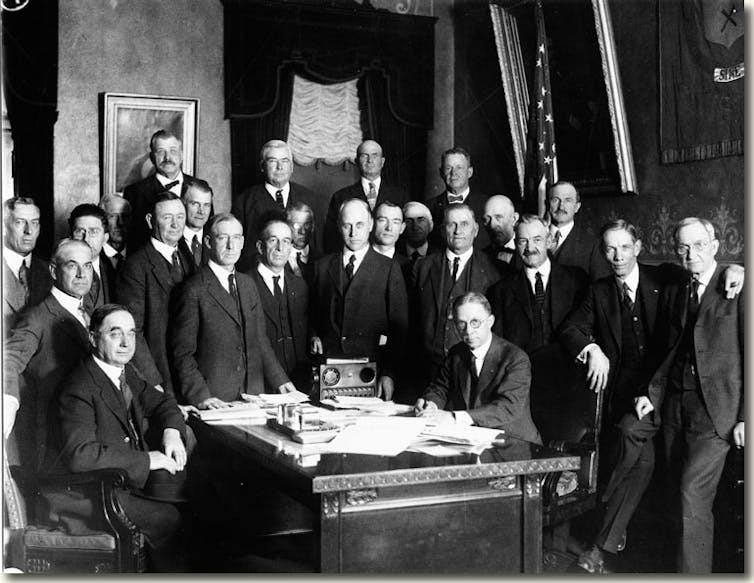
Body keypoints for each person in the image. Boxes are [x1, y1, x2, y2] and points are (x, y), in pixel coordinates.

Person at [640, 217, 743, 574]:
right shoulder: (676, 287)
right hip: (675, 406)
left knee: (691, 496)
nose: (691, 253)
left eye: (699, 245)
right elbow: (667, 349)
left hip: (717, 411)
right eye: (683, 247)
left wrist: (746, 417)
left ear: (716, 246)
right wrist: (651, 393)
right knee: (674, 497)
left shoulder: (738, 286)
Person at [56, 304, 189, 571]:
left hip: (120, 483)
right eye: (115, 334)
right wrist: (147, 459)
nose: (127, 343)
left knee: (194, 496)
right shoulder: (79, 386)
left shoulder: (123, 374)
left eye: (131, 333)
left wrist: (172, 433)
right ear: (93, 337)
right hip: (87, 493)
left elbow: (164, 404)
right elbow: (80, 455)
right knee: (170, 518)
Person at [170, 214, 295, 408]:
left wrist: (280, 380)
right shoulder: (194, 289)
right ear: (209, 242)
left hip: (252, 397)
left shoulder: (247, 284)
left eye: (236, 238)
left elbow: (259, 339)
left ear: (243, 242)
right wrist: (201, 396)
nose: (231, 245)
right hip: (215, 399)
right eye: (223, 238)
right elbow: (182, 354)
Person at [3, 238, 94, 472]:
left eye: (88, 266)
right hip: (60, 441)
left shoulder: (91, 313)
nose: (82, 274)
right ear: (53, 270)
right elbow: (8, 361)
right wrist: (8, 403)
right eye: (72, 266)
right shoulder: (37, 316)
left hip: (93, 429)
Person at [310, 198, 408, 400]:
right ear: (339, 226)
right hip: (329, 369)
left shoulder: (388, 268)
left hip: (371, 370)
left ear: (371, 225)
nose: (353, 233)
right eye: (347, 225)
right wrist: (313, 335)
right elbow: (309, 311)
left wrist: (389, 374)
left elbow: (400, 329)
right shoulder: (322, 266)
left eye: (360, 225)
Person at [414, 292, 540, 443]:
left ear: (490, 321)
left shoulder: (515, 358)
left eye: (475, 322)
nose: (468, 331)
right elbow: (440, 388)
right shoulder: (457, 353)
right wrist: (431, 404)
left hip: (514, 444)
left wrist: (453, 417)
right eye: (461, 323)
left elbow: (507, 407)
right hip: (473, 439)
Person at [414, 203, 503, 386]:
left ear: (476, 230)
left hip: (474, 374)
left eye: (464, 224)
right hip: (427, 372)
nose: (458, 231)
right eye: (451, 224)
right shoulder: (422, 267)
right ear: (442, 229)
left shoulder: (495, 270)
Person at [116, 192, 192, 396]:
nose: (176, 225)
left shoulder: (187, 258)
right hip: (161, 375)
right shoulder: (136, 266)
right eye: (167, 217)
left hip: (189, 376)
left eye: (180, 217)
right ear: (150, 221)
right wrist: (153, 382)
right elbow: (133, 331)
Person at [487, 214, 588, 354]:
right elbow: (499, 345)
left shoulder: (576, 279)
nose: (530, 248)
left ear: (549, 241)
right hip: (523, 372)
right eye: (523, 241)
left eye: (537, 240)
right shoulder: (501, 291)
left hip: (570, 369)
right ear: (516, 244)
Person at [231, 139, 318, 270]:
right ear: (262, 166)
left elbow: (319, 246)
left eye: (284, 161)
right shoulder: (244, 202)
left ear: (292, 166)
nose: (279, 167)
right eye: (272, 161)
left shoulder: (310, 198)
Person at [247, 220, 311, 392]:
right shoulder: (245, 284)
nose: (280, 248)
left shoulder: (299, 285)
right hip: (259, 384)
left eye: (286, 241)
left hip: (297, 384)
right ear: (260, 246)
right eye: (273, 240)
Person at [323, 140, 409, 252]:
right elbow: (332, 238)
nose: (370, 160)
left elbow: (406, 235)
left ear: (382, 162)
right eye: (364, 156)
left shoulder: (400, 195)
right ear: (357, 161)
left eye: (375, 155)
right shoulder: (341, 196)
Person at [123, 129, 197, 251]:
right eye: (161, 152)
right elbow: (134, 242)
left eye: (173, 151)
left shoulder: (198, 188)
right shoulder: (134, 193)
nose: (167, 157)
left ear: (182, 155)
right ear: (152, 157)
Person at [2, 197, 52, 329]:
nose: (28, 231)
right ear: (4, 226)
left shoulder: (50, 272)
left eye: (34, 223)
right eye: (20, 222)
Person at [426, 147, 489, 250]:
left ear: (469, 172)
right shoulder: (429, 207)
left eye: (459, 167)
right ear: (441, 173)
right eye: (448, 168)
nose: (453, 173)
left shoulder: (486, 205)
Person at [547, 181, 611, 281]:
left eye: (568, 200)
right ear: (547, 204)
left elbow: (600, 289)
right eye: (555, 200)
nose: (561, 206)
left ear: (577, 207)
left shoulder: (593, 245)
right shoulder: (531, 237)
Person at [69, 203, 116, 312]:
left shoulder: (115, 272)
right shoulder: (58, 272)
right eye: (80, 231)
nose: (86, 239)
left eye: (93, 232)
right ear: (71, 236)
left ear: (105, 238)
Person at [180, 178, 214, 269]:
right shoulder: (171, 238)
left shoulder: (215, 239)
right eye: (195, 204)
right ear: (182, 204)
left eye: (206, 205)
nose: (201, 211)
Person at [482, 194, 520, 270]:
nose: (492, 225)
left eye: (498, 217)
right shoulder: (480, 258)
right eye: (487, 219)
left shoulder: (530, 251)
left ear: (514, 219)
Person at [285, 200, 319, 285]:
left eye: (307, 224)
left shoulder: (322, 261)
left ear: (312, 227)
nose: (302, 231)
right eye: (297, 225)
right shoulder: (277, 259)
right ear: (286, 226)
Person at [99, 193, 131, 271]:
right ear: (101, 221)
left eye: (125, 216)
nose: (120, 223)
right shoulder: (94, 256)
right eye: (112, 216)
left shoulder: (138, 255)